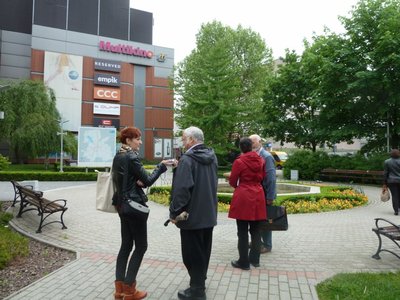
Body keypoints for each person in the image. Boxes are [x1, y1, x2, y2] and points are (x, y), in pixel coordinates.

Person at [112, 127, 170, 300]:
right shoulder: (131, 157)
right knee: (141, 246)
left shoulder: (118, 156)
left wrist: (137, 183)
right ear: (128, 141)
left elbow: (126, 180)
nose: (140, 141)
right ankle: (130, 291)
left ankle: (119, 289)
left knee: (125, 246)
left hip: (121, 206)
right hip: (134, 207)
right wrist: (162, 166)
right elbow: (148, 180)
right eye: (137, 139)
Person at [169, 126, 218, 300]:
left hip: (191, 216)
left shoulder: (188, 160)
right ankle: (200, 282)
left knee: (191, 254)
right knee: (203, 252)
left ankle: (197, 290)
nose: (182, 142)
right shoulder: (212, 157)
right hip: (208, 214)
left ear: (191, 140)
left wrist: (174, 213)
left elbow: (182, 190)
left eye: (183, 139)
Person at [228, 137, 267, 270]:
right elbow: (263, 177)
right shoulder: (261, 160)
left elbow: (233, 181)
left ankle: (243, 262)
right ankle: (255, 260)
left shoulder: (239, 162)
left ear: (241, 148)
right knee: (256, 230)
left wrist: (241, 186)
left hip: (244, 196)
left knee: (242, 231)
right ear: (251, 146)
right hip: (258, 195)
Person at [249, 134, 277, 253]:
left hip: (265, 194)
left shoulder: (266, 156)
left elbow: (271, 178)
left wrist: (270, 196)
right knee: (257, 219)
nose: (252, 145)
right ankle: (258, 241)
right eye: (250, 143)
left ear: (259, 142)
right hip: (257, 194)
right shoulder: (254, 155)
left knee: (266, 220)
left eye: (253, 143)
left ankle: (267, 245)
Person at [383, 149, 400, 216]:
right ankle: (399, 207)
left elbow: (385, 173)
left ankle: (396, 210)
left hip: (391, 181)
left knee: (395, 195)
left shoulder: (387, 162)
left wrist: (384, 183)